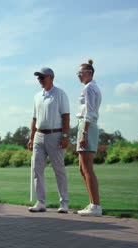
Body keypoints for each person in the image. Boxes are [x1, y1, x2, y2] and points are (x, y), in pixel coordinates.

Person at [27, 67, 70, 213]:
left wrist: (65, 136)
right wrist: (31, 137)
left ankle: (64, 203)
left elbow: (65, 116)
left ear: (51, 77)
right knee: (37, 169)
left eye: (42, 77)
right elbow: (34, 118)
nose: (39, 80)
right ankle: (41, 202)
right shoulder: (37, 96)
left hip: (55, 135)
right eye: (38, 78)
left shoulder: (60, 94)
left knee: (59, 169)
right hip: (39, 135)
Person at [75, 59, 103, 217]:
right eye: (77, 73)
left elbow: (90, 112)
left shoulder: (89, 88)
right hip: (85, 126)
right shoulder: (91, 87)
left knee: (87, 169)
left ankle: (96, 206)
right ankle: (92, 203)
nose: (78, 75)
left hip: (87, 126)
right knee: (82, 168)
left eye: (81, 73)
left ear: (89, 73)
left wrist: (84, 133)